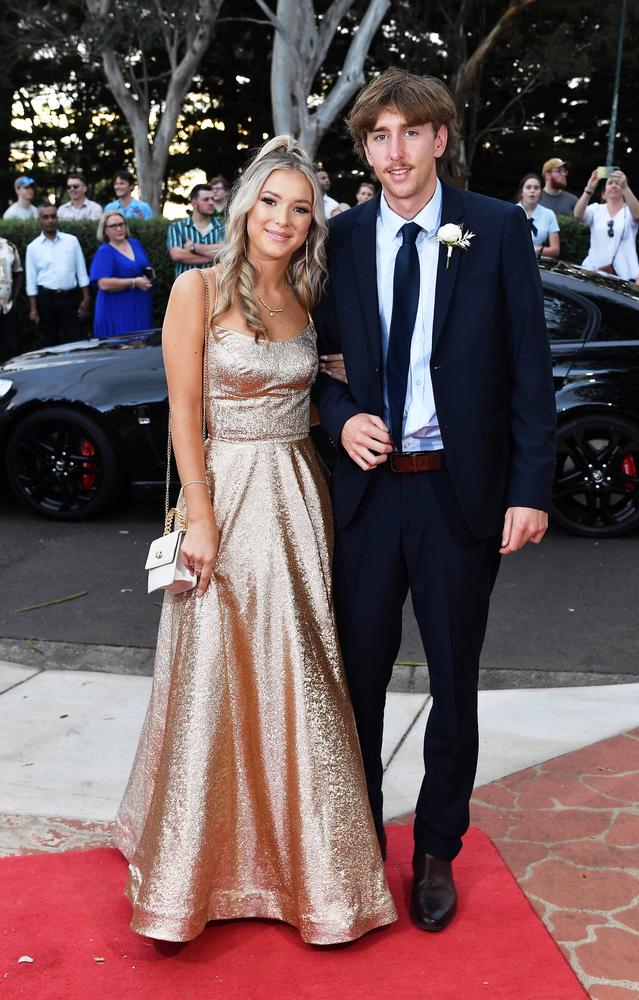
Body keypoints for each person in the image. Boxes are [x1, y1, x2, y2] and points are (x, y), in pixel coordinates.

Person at [114, 135, 397, 945]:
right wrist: (197, 513)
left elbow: (316, 400)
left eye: (300, 207)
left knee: (300, 674)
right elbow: (181, 412)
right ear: (245, 207)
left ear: (315, 224)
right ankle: (188, 872)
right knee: (214, 671)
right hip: (227, 495)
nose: (283, 218)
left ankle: (308, 868)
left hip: (301, 498)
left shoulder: (313, 297)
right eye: (270, 201)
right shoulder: (197, 290)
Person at [313, 67, 556, 933]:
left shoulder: (493, 228)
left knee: (454, 683)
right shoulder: (339, 239)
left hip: (462, 500)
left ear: (439, 139)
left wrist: (530, 488)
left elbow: (531, 366)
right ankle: (361, 842)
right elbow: (314, 366)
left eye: (409, 132)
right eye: (377, 137)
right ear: (367, 151)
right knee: (359, 687)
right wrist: (341, 419)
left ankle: (437, 851)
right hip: (371, 502)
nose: (394, 152)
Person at [25, 205, 90, 346]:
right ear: (39, 220)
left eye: (53, 216)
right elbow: (31, 281)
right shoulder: (33, 247)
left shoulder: (72, 241)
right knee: (49, 343)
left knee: (76, 341)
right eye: (46, 217)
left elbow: (82, 272)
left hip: (71, 298)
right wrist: (33, 309)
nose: (50, 220)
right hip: (46, 300)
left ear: (58, 218)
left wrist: (86, 298)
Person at [89, 211, 153, 338]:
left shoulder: (134, 243)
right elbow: (104, 284)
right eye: (113, 226)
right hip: (116, 308)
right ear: (105, 230)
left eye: (121, 224)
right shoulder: (104, 251)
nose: (119, 229)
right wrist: (134, 282)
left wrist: (148, 275)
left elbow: (143, 266)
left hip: (139, 304)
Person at [574, 168, 639, 280]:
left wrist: (625, 186)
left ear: (624, 191)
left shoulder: (631, 210)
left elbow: (637, 216)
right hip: (593, 271)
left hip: (625, 275)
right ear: (603, 194)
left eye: (618, 184)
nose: (614, 185)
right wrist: (589, 188)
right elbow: (577, 214)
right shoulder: (595, 209)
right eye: (610, 183)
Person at [166, 184, 225, 277]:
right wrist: (214, 257)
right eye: (206, 199)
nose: (211, 202)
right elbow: (177, 255)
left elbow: (227, 251)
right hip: (185, 287)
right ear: (194, 203)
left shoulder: (223, 227)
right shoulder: (177, 227)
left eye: (212, 199)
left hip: (216, 287)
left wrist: (193, 247)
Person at [516, 173, 560, 259]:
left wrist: (534, 249)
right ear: (521, 192)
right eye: (528, 187)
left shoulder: (549, 214)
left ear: (540, 192)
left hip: (538, 262)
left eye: (536, 188)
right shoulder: (512, 212)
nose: (532, 191)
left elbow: (555, 250)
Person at [0, 236, 23, 361]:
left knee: (13, 350)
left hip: (7, 309)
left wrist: (15, 298)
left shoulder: (9, 246)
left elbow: (18, 272)